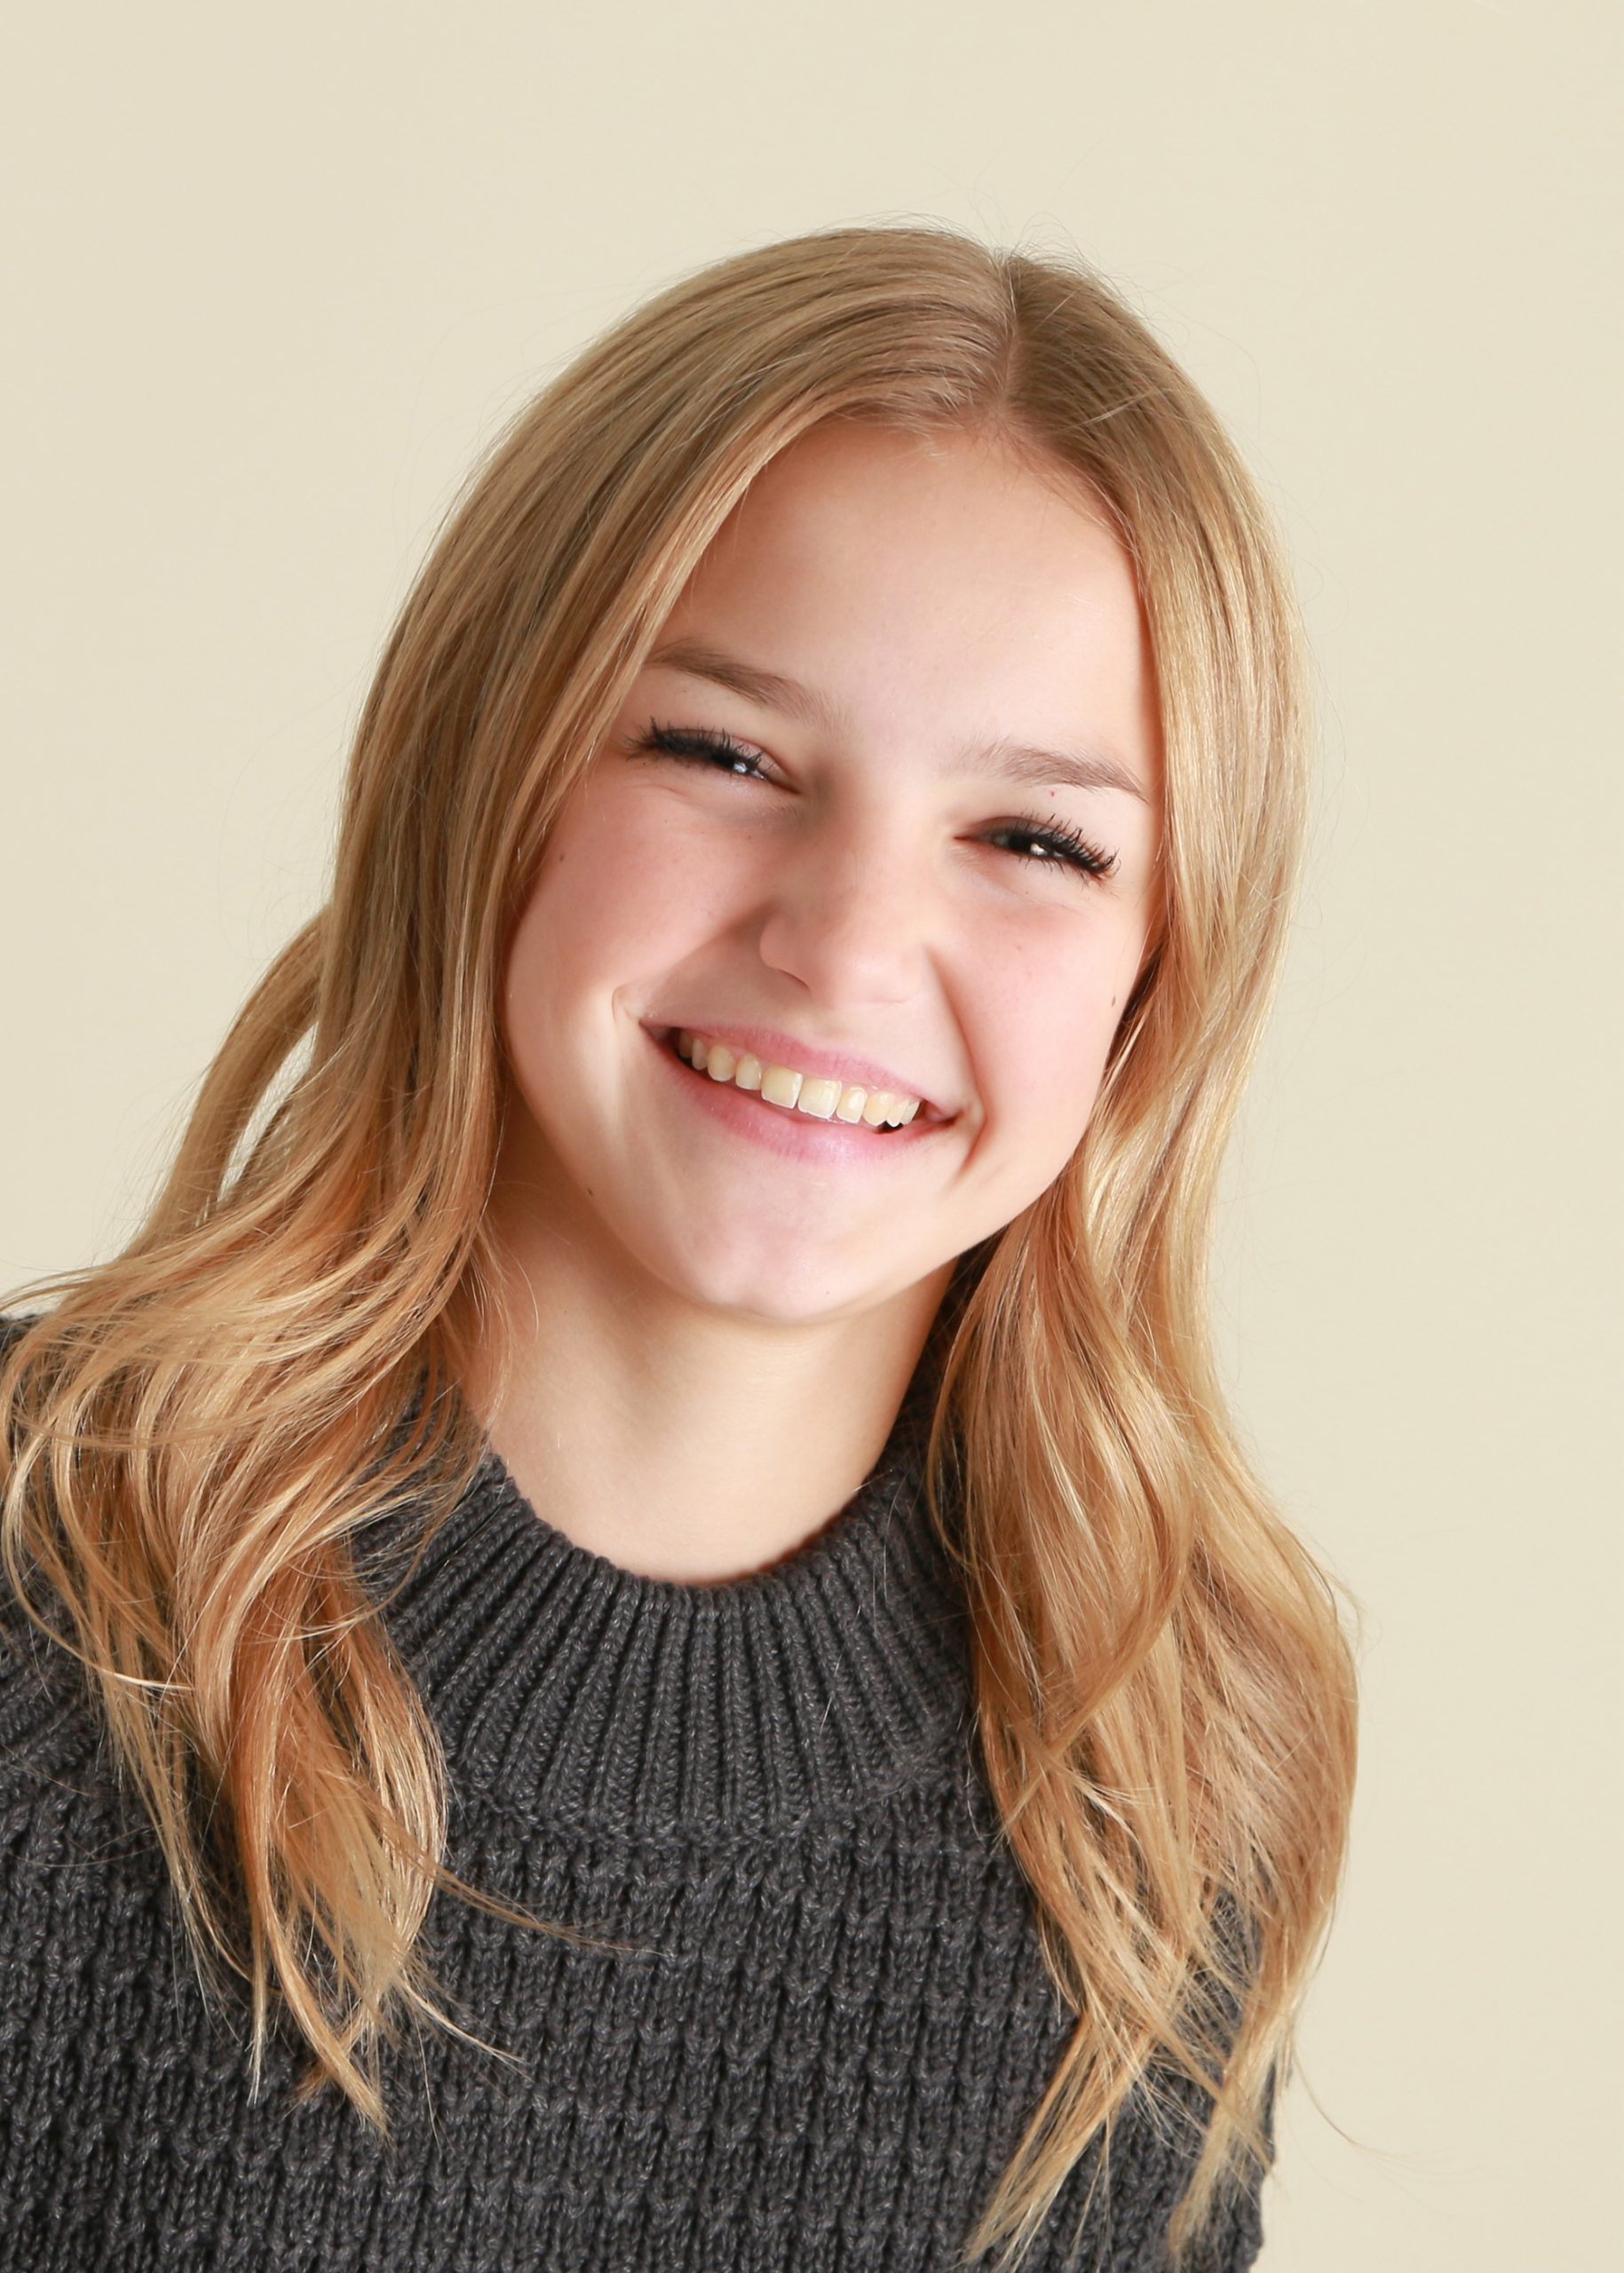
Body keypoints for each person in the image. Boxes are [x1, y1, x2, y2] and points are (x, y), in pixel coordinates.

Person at [0, 221, 1358, 2271]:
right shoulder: (45, 1594)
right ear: (487, 776)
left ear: (1159, 982)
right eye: (722, 752)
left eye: (1033, 839)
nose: (847, 939)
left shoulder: (1151, 1796)